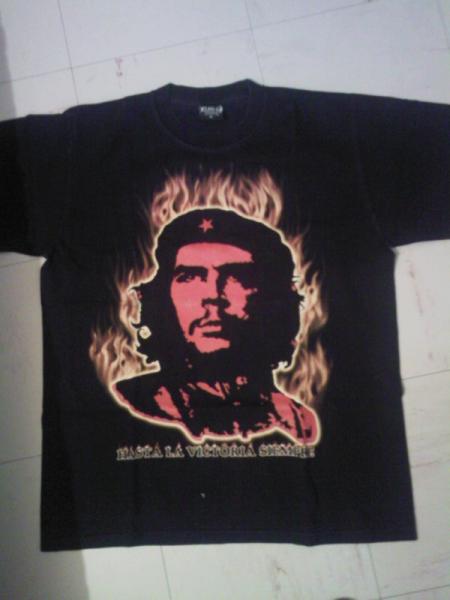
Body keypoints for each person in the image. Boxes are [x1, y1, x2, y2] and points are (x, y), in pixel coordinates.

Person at [112, 208, 320, 446]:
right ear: (163, 298)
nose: (212, 296)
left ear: (271, 298)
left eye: (236, 277)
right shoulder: (126, 405)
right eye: (190, 277)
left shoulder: (299, 424)